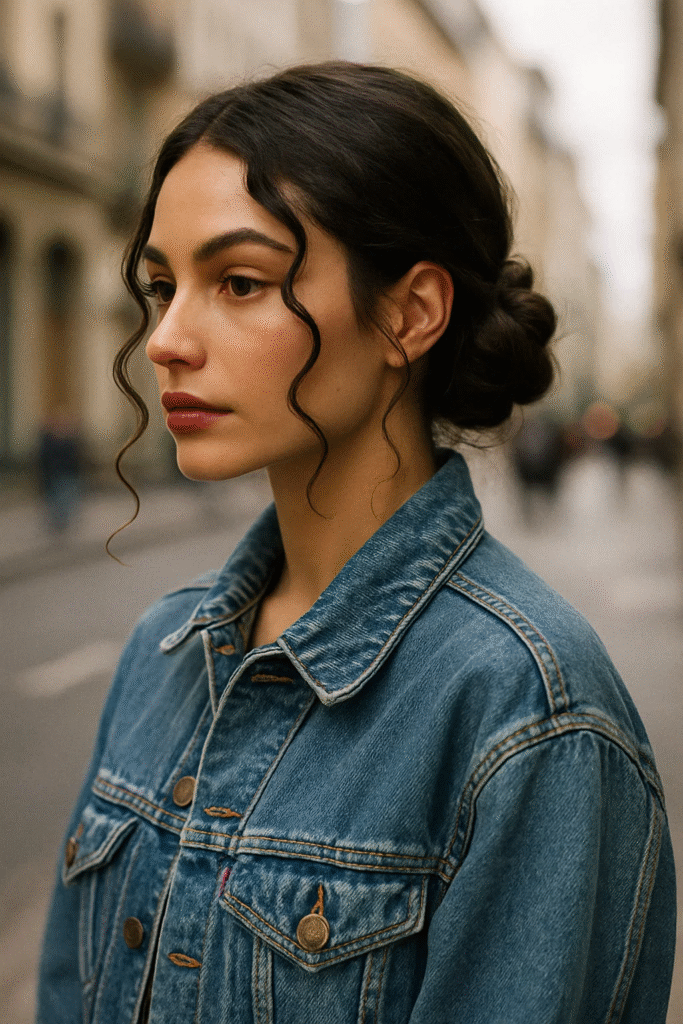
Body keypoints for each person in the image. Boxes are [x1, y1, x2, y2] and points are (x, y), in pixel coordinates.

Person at [36, 63, 675, 1024]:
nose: (167, 337)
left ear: (409, 314)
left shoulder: (526, 715)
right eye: (163, 286)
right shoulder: (162, 652)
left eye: (239, 282)